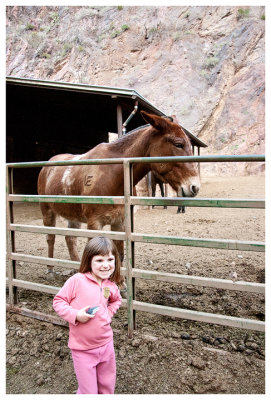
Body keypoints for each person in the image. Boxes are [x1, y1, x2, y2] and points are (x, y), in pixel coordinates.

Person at [53, 236, 123, 394]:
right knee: (88, 391)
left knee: (107, 386)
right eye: (99, 260)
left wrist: (108, 313)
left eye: (110, 259)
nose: (105, 265)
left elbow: (116, 301)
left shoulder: (110, 285)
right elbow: (58, 301)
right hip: (82, 349)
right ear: (88, 260)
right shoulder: (77, 281)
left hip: (106, 345)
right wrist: (76, 314)